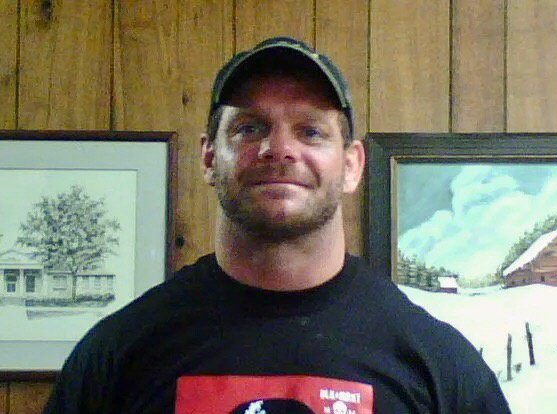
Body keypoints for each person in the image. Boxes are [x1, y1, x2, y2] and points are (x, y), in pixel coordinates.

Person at [43, 37, 511, 413]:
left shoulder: (437, 363)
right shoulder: (119, 353)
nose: (280, 150)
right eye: (250, 128)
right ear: (209, 158)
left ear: (352, 165)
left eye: (311, 131)